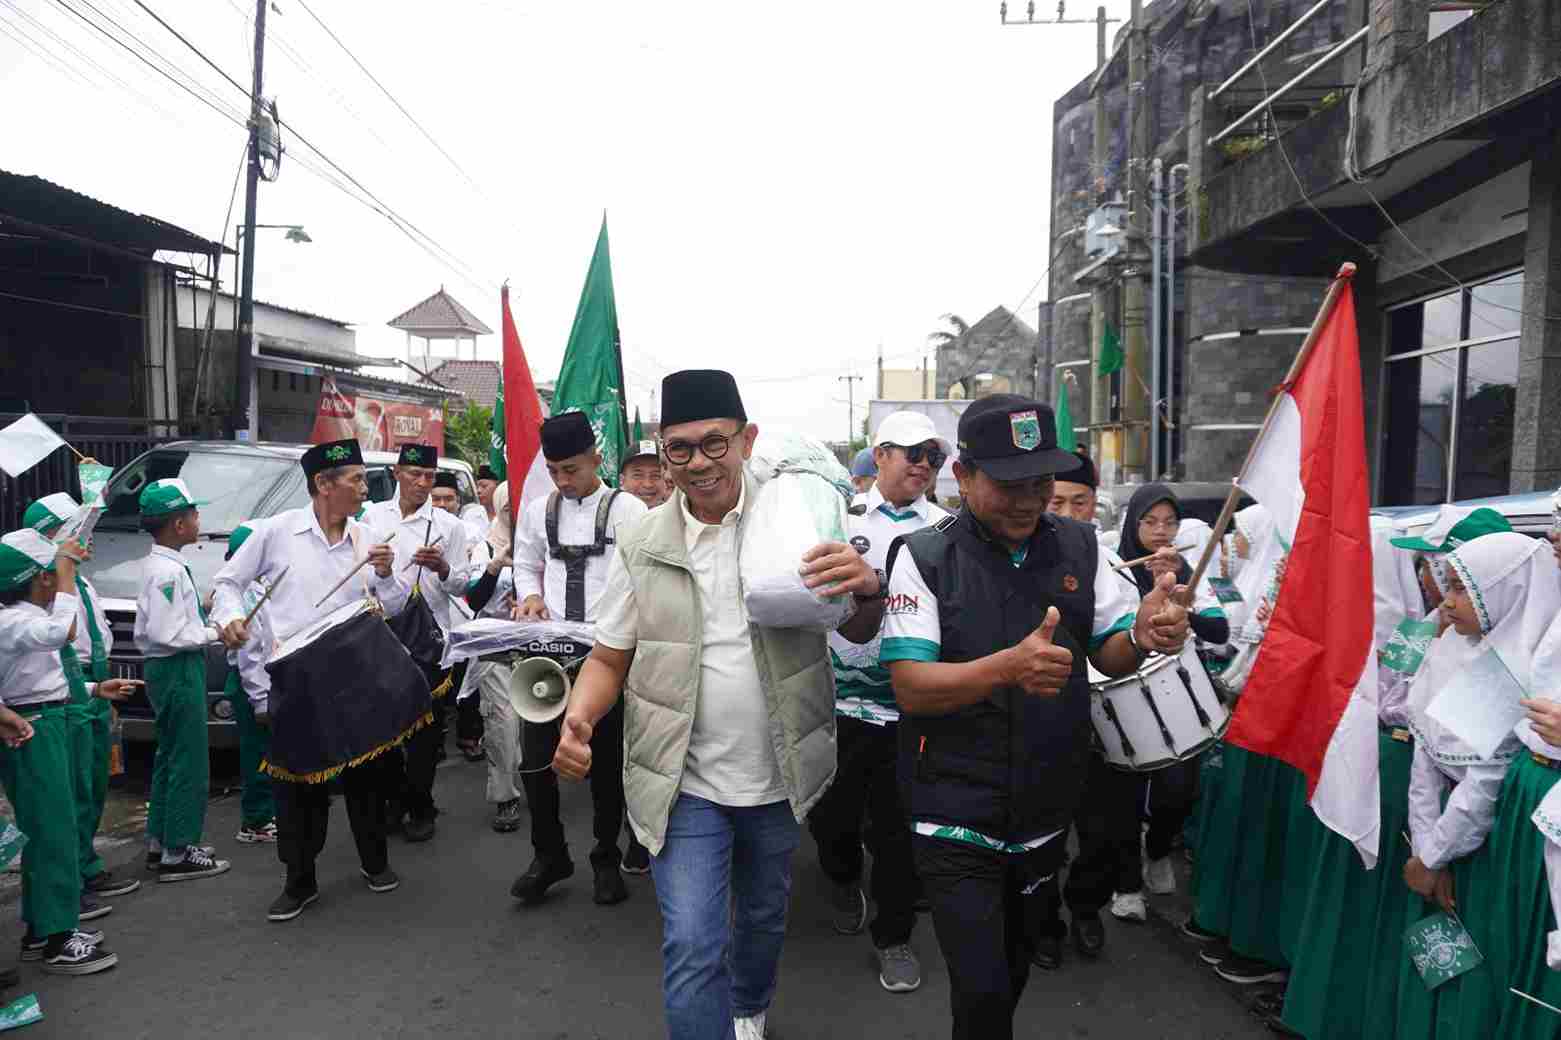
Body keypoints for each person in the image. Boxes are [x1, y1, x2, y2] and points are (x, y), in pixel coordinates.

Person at [552, 369, 884, 1040]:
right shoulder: (643, 541)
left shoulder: (791, 518)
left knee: (762, 919)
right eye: (680, 448)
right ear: (662, 451)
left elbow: (851, 628)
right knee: (694, 944)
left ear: (746, 439)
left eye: (714, 443)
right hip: (683, 782)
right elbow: (611, 654)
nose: (698, 462)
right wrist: (580, 715)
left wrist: (867, 589)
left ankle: (749, 1009)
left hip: (776, 775)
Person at [880, 394, 1190, 1040]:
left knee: (1015, 972)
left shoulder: (1080, 548)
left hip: (1045, 808)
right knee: (982, 989)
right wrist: (1004, 668)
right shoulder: (924, 555)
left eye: (1040, 482)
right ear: (961, 477)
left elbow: (1109, 651)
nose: (1027, 500)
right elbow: (911, 687)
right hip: (952, 813)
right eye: (1008, 483)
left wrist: (1145, 634)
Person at [212, 438, 408, 922]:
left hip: (357, 676)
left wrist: (385, 575)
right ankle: (299, 880)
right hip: (297, 678)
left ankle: (375, 861)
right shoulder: (275, 533)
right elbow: (226, 584)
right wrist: (230, 618)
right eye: (356, 480)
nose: (365, 489)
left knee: (367, 778)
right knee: (299, 786)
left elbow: (397, 605)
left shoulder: (364, 538)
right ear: (323, 485)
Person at [1271, 514, 1436, 1038]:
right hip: (1358, 757)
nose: (1433, 580)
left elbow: (1398, 703)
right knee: (1339, 890)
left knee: (1373, 903)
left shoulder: (1414, 628)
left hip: (1400, 776)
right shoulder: (1421, 628)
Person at [809, 410, 951, 995]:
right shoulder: (840, 520)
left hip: (908, 708)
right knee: (830, 816)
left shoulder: (948, 530)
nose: (922, 465)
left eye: (933, 457)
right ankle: (842, 877)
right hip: (838, 702)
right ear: (881, 454)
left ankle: (893, 936)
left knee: (897, 832)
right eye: (911, 453)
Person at [1402, 532, 1561, 1039]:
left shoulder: (1514, 665)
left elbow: (1482, 783)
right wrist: (1428, 851)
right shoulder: (1457, 646)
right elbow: (1424, 749)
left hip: (1496, 833)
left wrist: (1434, 855)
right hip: (1453, 836)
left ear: (1505, 592)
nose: (1446, 603)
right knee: (1453, 952)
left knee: (1490, 953)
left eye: (1461, 590)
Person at [509, 411, 648, 906]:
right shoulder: (536, 511)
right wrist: (528, 596)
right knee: (535, 764)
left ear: (596, 458)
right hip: (546, 657)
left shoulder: (629, 510)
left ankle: (605, 857)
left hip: (604, 658)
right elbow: (525, 563)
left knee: (605, 766)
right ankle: (548, 855)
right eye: (554, 470)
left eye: (572, 469)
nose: (563, 480)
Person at [0, 528, 139, 974]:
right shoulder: (13, 619)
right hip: (32, 728)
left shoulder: (21, 618)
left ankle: (45, 927)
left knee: (50, 829)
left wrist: (96, 688)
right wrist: (65, 571)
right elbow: (61, 632)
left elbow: (46, 674)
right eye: (51, 576)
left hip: (45, 719)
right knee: (53, 831)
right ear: (38, 578)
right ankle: (58, 937)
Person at [21, 494, 142, 900]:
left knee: (93, 782)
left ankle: (85, 865)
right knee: (67, 789)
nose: (85, 537)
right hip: (63, 686)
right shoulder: (44, 587)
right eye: (74, 530)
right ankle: (69, 879)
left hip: (93, 682)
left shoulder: (80, 578)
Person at [361, 444, 469, 841]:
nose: (422, 483)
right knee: (386, 729)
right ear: (396, 473)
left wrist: (441, 566)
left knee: (426, 730)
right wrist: (384, 571)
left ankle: (421, 804)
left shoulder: (448, 525)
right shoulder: (371, 517)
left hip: (430, 636)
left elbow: (462, 584)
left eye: (428, 476)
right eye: (414, 474)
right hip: (383, 635)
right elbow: (361, 578)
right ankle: (392, 802)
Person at [132, 478, 230, 882]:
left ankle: (163, 839)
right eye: (193, 513)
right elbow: (167, 633)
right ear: (177, 523)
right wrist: (215, 632)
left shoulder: (165, 566)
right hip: (176, 667)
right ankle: (178, 850)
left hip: (170, 668)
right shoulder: (167, 573)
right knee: (187, 758)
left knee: (170, 755)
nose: (197, 520)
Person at [222, 523, 277, 845]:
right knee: (258, 754)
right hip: (250, 684)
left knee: (268, 750)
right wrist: (260, 699)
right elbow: (249, 654)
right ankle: (255, 821)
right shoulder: (242, 594)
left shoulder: (256, 586)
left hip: (259, 681)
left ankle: (266, 813)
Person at [621, 440, 672, 509]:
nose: (647, 484)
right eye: (638, 475)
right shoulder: (610, 515)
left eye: (656, 475)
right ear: (622, 480)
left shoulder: (680, 515)